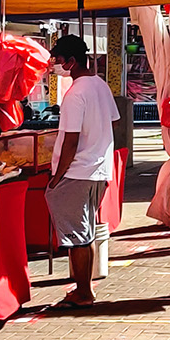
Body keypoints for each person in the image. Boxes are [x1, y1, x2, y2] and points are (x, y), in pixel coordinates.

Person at [45, 34, 117, 308]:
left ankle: (84, 291)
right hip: (98, 169)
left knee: (77, 236)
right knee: (83, 233)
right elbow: (112, 123)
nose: (56, 65)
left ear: (72, 62)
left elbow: (72, 141)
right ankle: (83, 288)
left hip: (77, 172)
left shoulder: (75, 94)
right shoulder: (100, 86)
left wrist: (58, 175)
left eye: (60, 61)